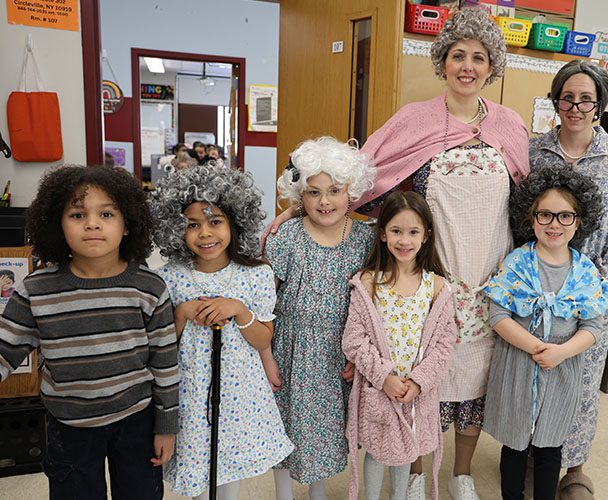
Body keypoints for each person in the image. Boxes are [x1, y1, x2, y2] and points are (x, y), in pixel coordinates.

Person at [265, 9, 529, 498]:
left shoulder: (511, 125)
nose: (467, 66)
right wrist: (295, 209)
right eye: (457, 56)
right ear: (442, 61)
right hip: (423, 273)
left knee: (472, 376)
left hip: (489, 273)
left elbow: (525, 200)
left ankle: (462, 473)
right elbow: (359, 178)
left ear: (492, 66)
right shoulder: (414, 120)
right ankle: (411, 474)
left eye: (478, 57)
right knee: (418, 367)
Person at [0, 165, 179, 499]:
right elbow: (5, 349)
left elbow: (165, 364)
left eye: (107, 213)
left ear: (127, 225)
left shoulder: (150, 287)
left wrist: (167, 426)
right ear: (57, 223)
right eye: (78, 214)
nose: (92, 223)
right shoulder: (35, 289)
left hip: (136, 421)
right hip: (69, 426)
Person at [528, 59, 608, 500]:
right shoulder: (533, 151)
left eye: (586, 99)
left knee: (579, 387)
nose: (575, 107)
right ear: (555, 101)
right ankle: (532, 460)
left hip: (590, 298)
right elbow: (516, 220)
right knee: (535, 375)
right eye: (567, 98)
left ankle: (573, 469)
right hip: (534, 292)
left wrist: (595, 275)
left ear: (599, 105)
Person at [150, 164, 293, 500]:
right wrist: (183, 313)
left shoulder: (255, 275)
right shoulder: (169, 277)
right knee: (198, 470)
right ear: (176, 229)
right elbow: (160, 344)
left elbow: (262, 338)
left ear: (235, 223)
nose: (205, 233)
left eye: (215, 222)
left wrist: (239, 310)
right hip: (191, 390)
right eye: (192, 225)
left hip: (240, 393)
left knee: (230, 468)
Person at [482, 166, 608, 500]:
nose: (554, 224)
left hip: (562, 367)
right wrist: (536, 347)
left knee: (550, 445)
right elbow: (497, 314)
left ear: (579, 220)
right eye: (545, 214)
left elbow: (593, 326)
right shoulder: (516, 263)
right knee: (514, 444)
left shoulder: (585, 271)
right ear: (531, 218)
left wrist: (560, 352)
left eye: (565, 216)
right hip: (517, 362)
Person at [261, 137, 376, 500]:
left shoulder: (365, 239)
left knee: (325, 430)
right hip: (290, 349)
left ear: (351, 191)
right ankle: (283, 493)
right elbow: (263, 300)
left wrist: (360, 355)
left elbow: (374, 305)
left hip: (337, 352)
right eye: (313, 192)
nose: (324, 201)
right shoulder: (287, 237)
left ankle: (318, 492)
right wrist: (265, 355)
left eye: (335, 190)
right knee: (285, 424)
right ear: (300, 196)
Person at [342, 191, 457, 500]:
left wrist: (419, 382)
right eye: (396, 230)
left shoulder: (437, 287)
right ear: (382, 234)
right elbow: (354, 339)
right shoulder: (368, 283)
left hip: (416, 393)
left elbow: (445, 344)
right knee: (379, 452)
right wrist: (384, 377)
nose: (404, 240)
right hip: (379, 388)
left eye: (413, 232)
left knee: (406, 452)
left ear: (426, 235)